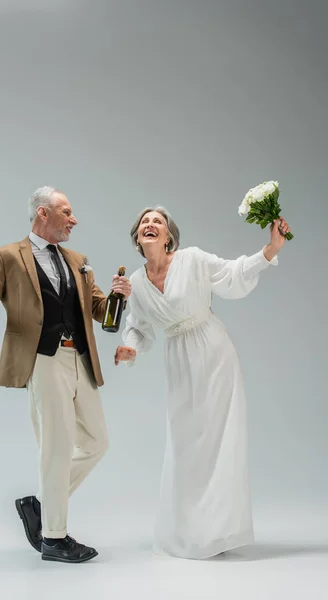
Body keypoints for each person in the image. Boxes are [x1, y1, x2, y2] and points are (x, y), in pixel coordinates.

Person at [0, 186, 131, 563]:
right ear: (43, 213)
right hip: (43, 359)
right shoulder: (8, 256)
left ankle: (39, 503)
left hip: (80, 359)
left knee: (97, 442)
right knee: (56, 447)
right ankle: (54, 538)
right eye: (66, 212)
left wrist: (118, 297)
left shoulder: (77, 259)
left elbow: (100, 311)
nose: (74, 219)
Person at [114, 206, 290, 559]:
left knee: (218, 442)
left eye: (157, 222)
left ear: (168, 236)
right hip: (179, 361)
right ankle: (189, 531)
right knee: (186, 445)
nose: (150, 225)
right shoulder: (134, 282)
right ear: (138, 237)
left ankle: (216, 533)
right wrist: (129, 348)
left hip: (213, 353)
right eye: (144, 222)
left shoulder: (192, 259)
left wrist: (270, 250)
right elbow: (137, 325)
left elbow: (232, 274)